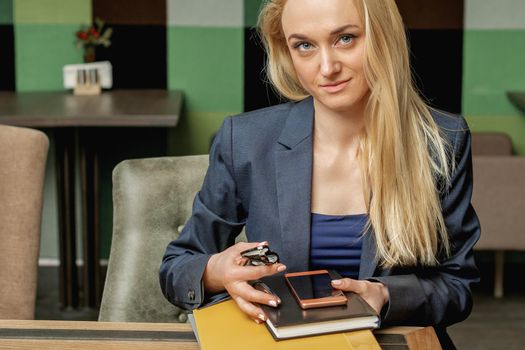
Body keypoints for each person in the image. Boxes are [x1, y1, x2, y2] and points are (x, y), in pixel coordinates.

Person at [160, 0, 480, 348]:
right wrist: (217, 273)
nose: (326, 67)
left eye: (345, 39)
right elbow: (177, 268)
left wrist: (385, 295)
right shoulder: (247, 141)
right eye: (304, 45)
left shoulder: (442, 141)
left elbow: (457, 287)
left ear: (383, 37)